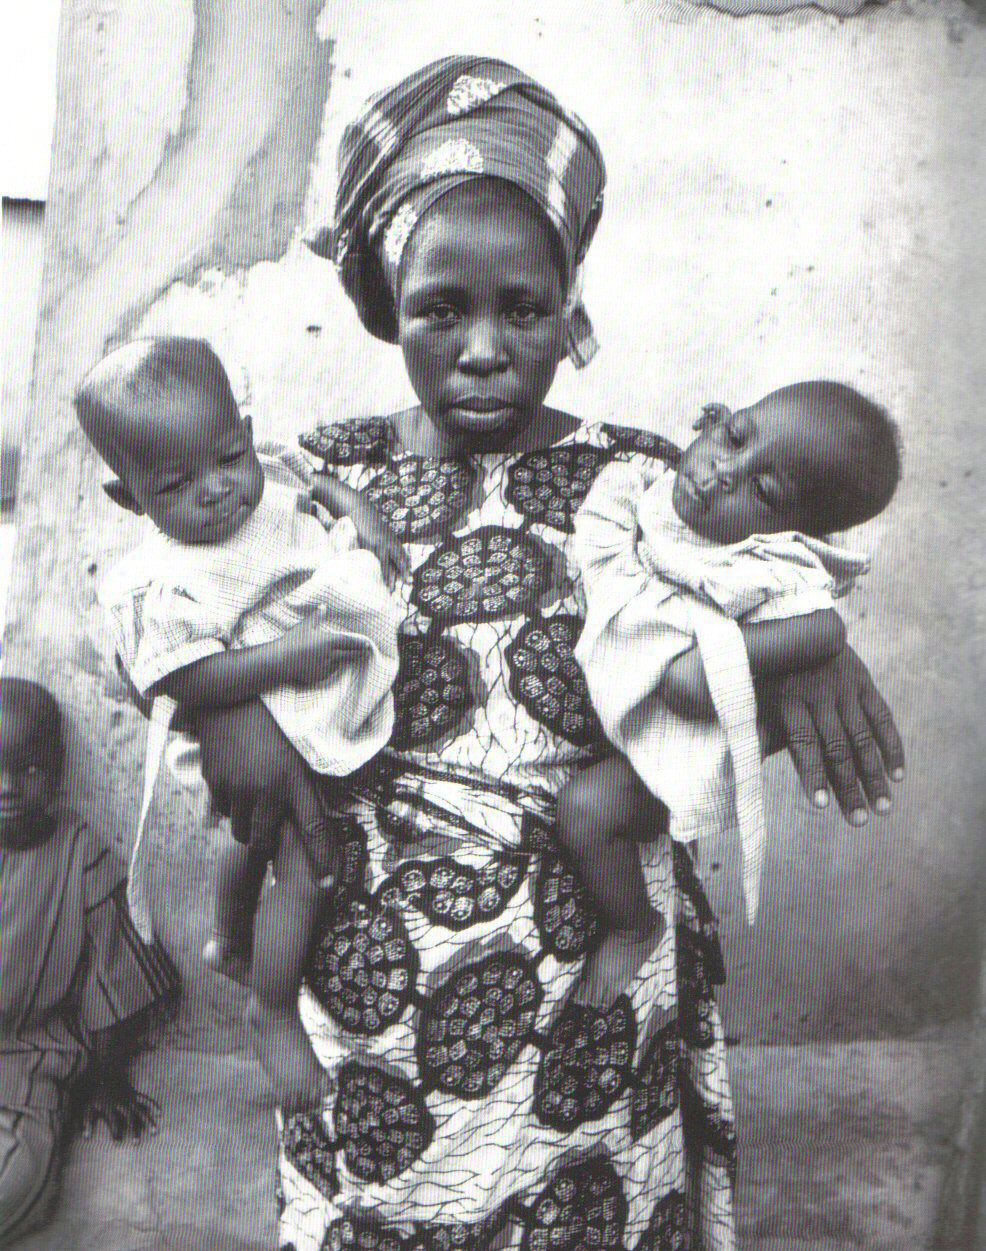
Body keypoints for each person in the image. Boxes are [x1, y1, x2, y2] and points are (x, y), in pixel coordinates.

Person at [178, 56, 903, 1251]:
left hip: (584, 997)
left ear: (570, 309)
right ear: (387, 304)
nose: (481, 348)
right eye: (439, 309)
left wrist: (798, 654)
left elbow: (742, 625)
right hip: (363, 996)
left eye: (522, 309)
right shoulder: (312, 475)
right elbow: (169, 607)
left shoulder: (647, 482)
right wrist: (227, 714)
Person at [74, 337, 402, 1113]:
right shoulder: (166, 581)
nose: (219, 490)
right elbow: (183, 678)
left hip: (300, 701)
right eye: (178, 484)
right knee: (302, 862)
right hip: (262, 699)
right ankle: (272, 1005)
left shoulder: (267, 471)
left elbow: (313, 483)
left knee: (251, 837)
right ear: (131, 500)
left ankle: (226, 936)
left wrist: (362, 512)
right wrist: (287, 657)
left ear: (246, 432)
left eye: (228, 457)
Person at [560, 383, 901, 1004]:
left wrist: (714, 668)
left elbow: (823, 626)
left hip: (685, 738)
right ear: (716, 415)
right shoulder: (648, 486)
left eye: (764, 493)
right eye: (734, 436)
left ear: (795, 531)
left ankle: (635, 927)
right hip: (637, 696)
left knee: (586, 810)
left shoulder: (775, 565)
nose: (722, 474)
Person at [0, 677, 179, 1243]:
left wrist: (105, 1081)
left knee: (14, 1177)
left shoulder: (79, 853)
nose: (6, 787)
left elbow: (115, 976)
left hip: (27, 1058)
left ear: (56, 771)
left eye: (28, 768)